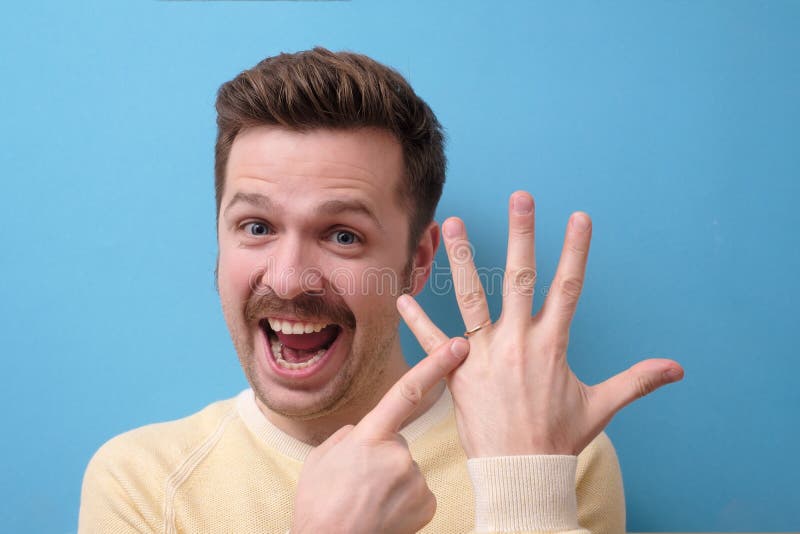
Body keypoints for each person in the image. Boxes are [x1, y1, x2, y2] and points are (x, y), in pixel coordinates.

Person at [78, 47, 683, 534]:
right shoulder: (141, 485)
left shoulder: (554, 451)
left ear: (418, 263)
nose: (288, 278)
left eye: (342, 235)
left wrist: (521, 487)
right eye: (256, 227)